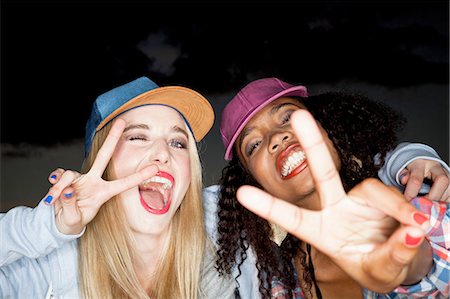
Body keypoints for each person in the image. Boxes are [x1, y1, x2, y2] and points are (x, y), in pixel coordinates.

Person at [208, 77, 449, 298]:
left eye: (288, 117)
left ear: (326, 127)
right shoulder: (281, 282)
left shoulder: (420, 205)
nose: (276, 137)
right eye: (254, 145)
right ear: (256, 181)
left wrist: (407, 262)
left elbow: (429, 251)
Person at [0, 77, 235, 298]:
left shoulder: (214, 245)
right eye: (137, 137)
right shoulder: (54, 268)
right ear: (102, 165)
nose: (163, 153)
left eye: (178, 142)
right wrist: (47, 226)